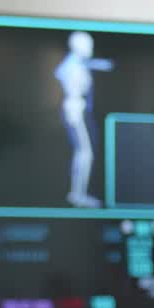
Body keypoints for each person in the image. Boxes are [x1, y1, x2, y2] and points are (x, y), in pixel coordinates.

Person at [54, 31, 112, 208]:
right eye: (87, 44)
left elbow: (91, 64)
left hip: (76, 109)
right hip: (74, 110)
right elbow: (63, 72)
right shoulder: (72, 66)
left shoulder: (77, 62)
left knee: (83, 152)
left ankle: (78, 193)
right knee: (85, 152)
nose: (90, 48)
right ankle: (78, 195)